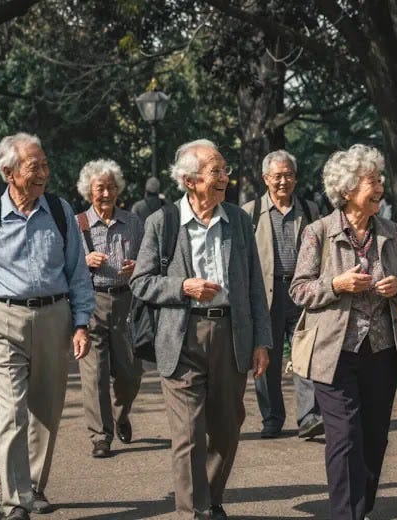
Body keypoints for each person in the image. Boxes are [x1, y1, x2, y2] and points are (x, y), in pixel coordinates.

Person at [0, 133, 94, 520]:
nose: (43, 174)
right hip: (2, 318)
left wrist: (81, 323)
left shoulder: (61, 212)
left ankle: (33, 486)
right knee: (12, 409)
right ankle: (15, 501)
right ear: (8, 172)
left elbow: (78, 273)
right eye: (35, 167)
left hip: (54, 317)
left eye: (45, 166)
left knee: (46, 411)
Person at [130, 139, 271, 519]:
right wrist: (182, 286)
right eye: (216, 171)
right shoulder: (163, 222)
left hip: (231, 336)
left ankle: (209, 496)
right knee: (189, 433)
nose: (225, 176)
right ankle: (197, 510)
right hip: (182, 336)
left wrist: (262, 342)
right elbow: (141, 282)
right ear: (191, 180)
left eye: (225, 170)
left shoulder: (239, 221)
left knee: (227, 429)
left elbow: (255, 286)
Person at [290, 144, 397, 520]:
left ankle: (360, 508)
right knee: (344, 438)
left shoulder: (390, 231)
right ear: (347, 190)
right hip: (334, 352)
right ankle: (346, 514)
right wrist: (337, 284)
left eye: (380, 180)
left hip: (381, 351)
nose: (379, 187)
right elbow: (299, 289)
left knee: (374, 437)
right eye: (371, 181)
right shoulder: (319, 232)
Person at [241, 150, 324, 439]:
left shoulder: (310, 210)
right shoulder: (249, 211)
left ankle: (309, 418)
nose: (283, 181)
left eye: (288, 175)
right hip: (266, 294)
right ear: (266, 178)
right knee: (266, 358)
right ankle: (272, 418)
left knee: (306, 354)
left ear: (296, 177)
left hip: (301, 293)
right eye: (277, 176)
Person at [75, 159, 144, 458]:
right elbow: (64, 267)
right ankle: (100, 436)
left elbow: (151, 262)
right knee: (94, 375)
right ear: (88, 191)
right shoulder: (78, 224)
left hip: (127, 302)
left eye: (111, 187)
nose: (106, 193)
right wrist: (84, 262)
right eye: (100, 187)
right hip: (91, 302)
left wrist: (138, 267)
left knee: (130, 375)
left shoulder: (134, 222)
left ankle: (120, 415)